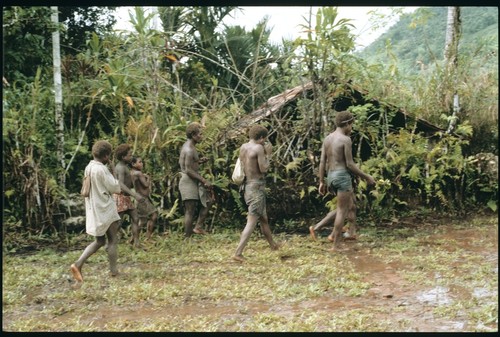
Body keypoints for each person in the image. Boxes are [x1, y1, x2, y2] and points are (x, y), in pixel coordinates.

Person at [312, 111, 375, 252]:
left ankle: (348, 233)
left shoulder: (327, 139)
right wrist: (367, 177)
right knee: (342, 210)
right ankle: (336, 245)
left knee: (349, 206)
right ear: (346, 124)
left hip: (331, 176)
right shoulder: (345, 140)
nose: (351, 128)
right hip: (342, 176)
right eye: (351, 125)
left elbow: (322, 161)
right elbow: (350, 164)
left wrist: (321, 181)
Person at [70, 140, 122, 282]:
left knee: (99, 241)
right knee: (112, 240)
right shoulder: (101, 169)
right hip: (105, 208)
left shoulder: (89, 167)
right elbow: (115, 188)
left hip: (94, 208)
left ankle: (78, 264)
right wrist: (114, 172)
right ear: (106, 156)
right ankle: (114, 271)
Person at [233, 125, 280, 262]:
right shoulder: (259, 148)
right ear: (261, 138)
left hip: (247, 187)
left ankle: (273, 245)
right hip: (256, 187)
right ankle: (238, 252)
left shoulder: (243, 147)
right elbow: (264, 168)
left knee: (263, 218)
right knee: (252, 221)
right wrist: (268, 155)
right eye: (264, 139)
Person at [178, 122, 214, 237]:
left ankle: (198, 227)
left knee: (209, 201)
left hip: (192, 180)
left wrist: (199, 161)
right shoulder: (189, 149)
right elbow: (188, 169)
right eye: (200, 134)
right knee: (190, 210)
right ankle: (187, 236)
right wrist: (204, 180)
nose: (201, 137)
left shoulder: (190, 147)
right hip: (188, 181)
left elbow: (189, 164)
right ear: (193, 135)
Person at [113, 144, 145, 248]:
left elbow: (127, 183)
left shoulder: (124, 167)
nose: (131, 157)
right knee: (118, 223)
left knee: (135, 218)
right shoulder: (121, 168)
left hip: (126, 197)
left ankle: (136, 242)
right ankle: (110, 243)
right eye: (129, 155)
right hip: (121, 197)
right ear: (123, 157)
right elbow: (121, 184)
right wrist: (135, 195)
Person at [130, 156, 158, 241]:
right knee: (153, 215)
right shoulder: (138, 173)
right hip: (142, 199)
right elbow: (146, 185)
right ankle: (147, 237)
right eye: (140, 162)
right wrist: (148, 178)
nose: (142, 163)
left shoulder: (131, 173)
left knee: (143, 220)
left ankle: (133, 239)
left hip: (140, 198)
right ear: (133, 164)